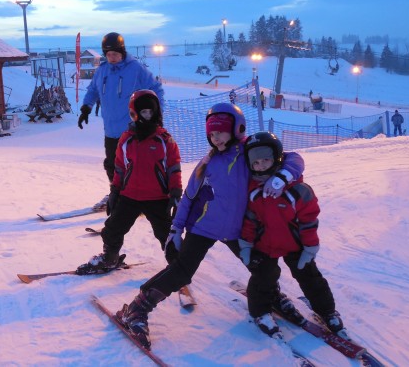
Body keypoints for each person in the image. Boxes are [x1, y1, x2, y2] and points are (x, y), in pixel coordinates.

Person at [114, 103, 305, 349]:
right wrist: (176, 229)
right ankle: (138, 308)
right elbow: (189, 198)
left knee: (264, 267)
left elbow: (293, 158)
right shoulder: (207, 163)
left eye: (221, 131)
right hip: (205, 226)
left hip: (239, 229)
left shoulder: (249, 150)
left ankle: (271, 295)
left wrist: (282, 177)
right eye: (211, 133)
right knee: (182, 271)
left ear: (237, 129)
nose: (215, 137)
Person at [239, 131, 346, 338]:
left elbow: (308, 222)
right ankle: (260, 312)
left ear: (277, 158)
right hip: (265, 246)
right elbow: (250, 220)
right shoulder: (253, 191)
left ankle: (327, 311)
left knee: (310, 277)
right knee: (264, 278)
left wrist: (310, 247)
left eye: (266, 160)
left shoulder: (298, 190)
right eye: (256, 162)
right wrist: (246, 244)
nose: (261, 165)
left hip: (295, 245)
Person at [76, 90, 182, 274]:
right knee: (111, 230)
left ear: (156, 113)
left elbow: (174, 168)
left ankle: (177, 265)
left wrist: (175, 193)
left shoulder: (164, 140)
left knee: (166, 234)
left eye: (150, 112)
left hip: (158, 198)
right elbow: (119, 168)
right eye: (142, 113)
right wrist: (114, 191)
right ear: (133, 114)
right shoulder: (127, 139)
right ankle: (110, 258)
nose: (146, 117)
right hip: (129, 196)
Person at [78, 32, 164, 209]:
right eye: (109, 55)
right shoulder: (102, 71)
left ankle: (136, 197)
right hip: (110, 129)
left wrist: (157, 114)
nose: (112, 58)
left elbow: (156, 89)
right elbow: (93, 90)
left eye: (115, 54)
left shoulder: (135, 69)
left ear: (122, 52)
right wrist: (86, 108)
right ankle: (118, 193)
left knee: (133, 166)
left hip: (131, 129)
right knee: (111, 165)